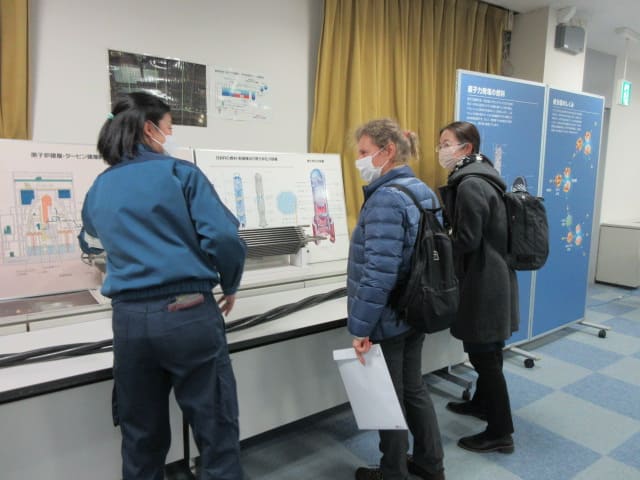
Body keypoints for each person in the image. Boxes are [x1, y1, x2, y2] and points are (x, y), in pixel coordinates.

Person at [78, 91, 247, 480]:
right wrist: (230, 283)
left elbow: (91, 234)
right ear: (149, 129)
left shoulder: (100, 186)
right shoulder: (181, 174)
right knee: (215, 426)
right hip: (187, 310)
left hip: (129, 320)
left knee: (140, 436)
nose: (170, 137)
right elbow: (223, 238)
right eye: (169, 128)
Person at [347, 118, 445, 480]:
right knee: (413, 388)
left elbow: (379, 273)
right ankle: (431, 464)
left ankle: (392, 472)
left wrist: (360, 326)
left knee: (388, 397)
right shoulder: (420, 189)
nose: (358, 159)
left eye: (363, 152)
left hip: (388, 315)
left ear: (387, 152)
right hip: (415, 306)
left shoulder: (386, 199)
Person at [437, 121, 519, 454]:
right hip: (494, 277)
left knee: (484, 356)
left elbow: (467, 240)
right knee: (488, 352)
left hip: (484, 283)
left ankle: (500, 432)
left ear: (466, 148)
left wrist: (437, 246)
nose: (440, 149)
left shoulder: (470, 184)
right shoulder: (486, 177)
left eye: (446, 143)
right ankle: (483, 404)